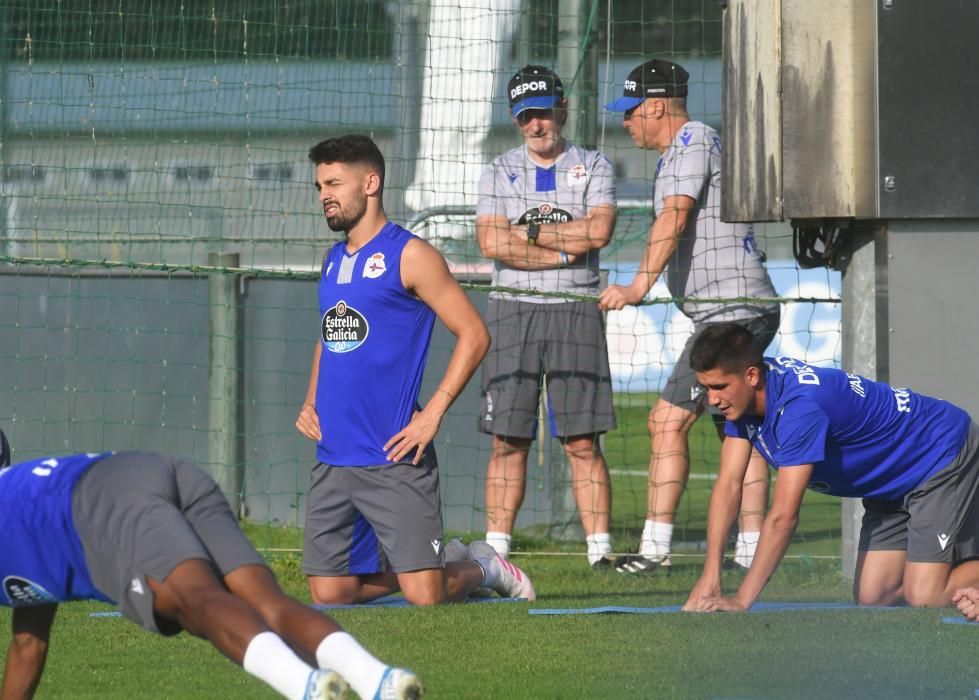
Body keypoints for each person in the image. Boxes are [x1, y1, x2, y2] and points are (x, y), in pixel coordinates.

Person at [295, 135, 535, 605]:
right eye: (319, 184)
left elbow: (475, 334)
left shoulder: (411, 255)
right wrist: (310, 400)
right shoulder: (330, 260)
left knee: (425, 596)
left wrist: (434, 414)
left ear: (370, 182)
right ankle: (419, 566)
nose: (324, 193)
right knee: (330, 593)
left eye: (334, 183)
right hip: (335, 455)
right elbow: (331, 334)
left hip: (394, 453)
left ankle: (484, 567)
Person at [0, 442, 422, 700]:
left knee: (197, 602)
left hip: (104, 506)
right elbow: (27, 645)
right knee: (266, 601)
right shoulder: (18, 501)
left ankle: (305, 688)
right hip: (152, 469)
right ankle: (376, 678)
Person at [599, 59, 781, 573]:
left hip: (732, 311)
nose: (626, 122)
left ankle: (655, 551)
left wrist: (638, 285)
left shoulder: (691, 141)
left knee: (666, 420)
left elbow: (674, 214)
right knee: (738, 428)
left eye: (631, 112)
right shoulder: (691, 146)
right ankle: (748, 551)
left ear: (656, 105)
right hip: (733, 308)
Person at [681, 323, 979, 612]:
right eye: (706, 388)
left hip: (937, 453)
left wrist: (742, 600)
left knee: (925, 595)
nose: (712, 400)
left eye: (719, 387)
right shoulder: (743, 403)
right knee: (874, 597)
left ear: (751, 375)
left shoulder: (799, 411)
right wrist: (711, 577)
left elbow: (783, 517)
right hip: (890, 481)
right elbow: (729, 484)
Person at [475, 65, 618, 569]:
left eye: (543, 113)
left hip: (575, 310)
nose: (536, 125)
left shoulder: (595, 165)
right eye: (525, 117)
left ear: (562, 108)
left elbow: (598, 233)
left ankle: (600, 554)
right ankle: (497, 555)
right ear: (517, 120)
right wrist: (563, 251)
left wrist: (529, 235)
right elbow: (492, 241)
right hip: (512, 310)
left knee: (582, 440)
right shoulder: (497, 170)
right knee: (506, 438)